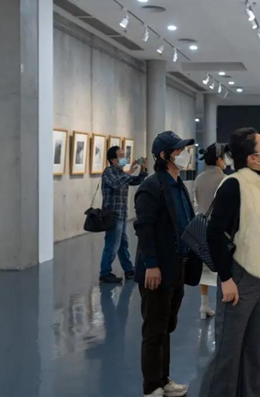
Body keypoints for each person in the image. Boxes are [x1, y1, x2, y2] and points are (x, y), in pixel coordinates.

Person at [200, 127, 260, 397]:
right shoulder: (234, 185)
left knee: (254, 352)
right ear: (252, 158)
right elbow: (214, 234)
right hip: (239, 277)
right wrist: (226, 278)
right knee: (228, 354)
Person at [133, 131, 203, 397]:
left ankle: (163, 380)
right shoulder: (151, 186)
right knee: (154, 329)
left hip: (177, 267)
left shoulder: (178, 185)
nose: (184, 155)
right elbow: (144, 228)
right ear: (164, 156)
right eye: (178, 151)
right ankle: (151, 386)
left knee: (167, 326)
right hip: (158, 270)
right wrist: (151, 264)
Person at [99, 145, 148, 283]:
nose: (124, 158)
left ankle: (128, 270)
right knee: (112, 245)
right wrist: (130, 171)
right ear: (113, 160)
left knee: (122, 244)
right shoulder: (108, 172)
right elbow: (115, 183)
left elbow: (136, 181)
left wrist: (143, 169)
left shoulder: (121, 173)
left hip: (121, 214)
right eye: (121, 155)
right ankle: (105, 273)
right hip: (112, 216)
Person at [193, 143, 230, 319]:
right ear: (220, 159)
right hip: (221, 230)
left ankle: (204, 305)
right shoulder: (226, 180)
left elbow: (196, 203)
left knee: (204, 269)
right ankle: (223, 306)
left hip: (201, 228)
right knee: (223, 268)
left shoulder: (199, 179)